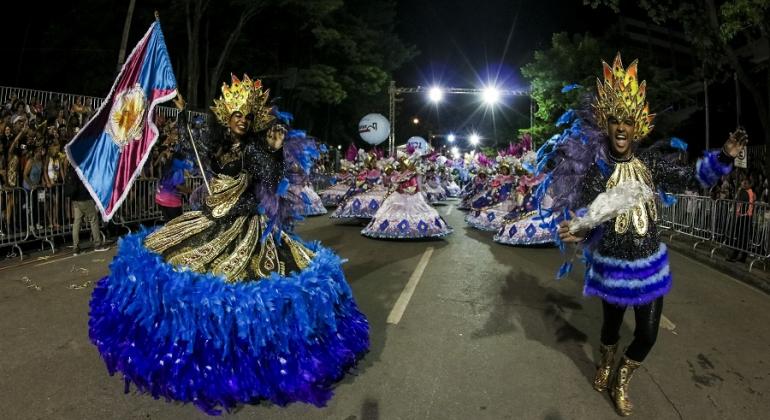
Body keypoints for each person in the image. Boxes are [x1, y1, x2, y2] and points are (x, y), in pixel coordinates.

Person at [88, 75, 369, 414]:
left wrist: (277, 152)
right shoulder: (218, 144)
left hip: (244, 226)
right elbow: (198, 147)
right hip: (208, 218)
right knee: (172, 266)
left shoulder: (254, 149)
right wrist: (183, 113)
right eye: (235, 114)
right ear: (226, 116)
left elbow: (271, 180)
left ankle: (251, 363)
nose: (241, 120)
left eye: (246, 116)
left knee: (244, 288)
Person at [547, 54, 746, 416]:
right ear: (606, 126)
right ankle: (605, 363)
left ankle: (622, 377)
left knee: (648, 334)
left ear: (637, 126)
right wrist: (578, 227)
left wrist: (725, 156)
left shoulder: (652, 165)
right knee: (610, 328)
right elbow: (589, 211)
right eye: (615, 121)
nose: (621, 127)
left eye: (628, 121)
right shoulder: (599, 169)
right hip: (612, 264)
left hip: (650, 265)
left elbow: (693, 180)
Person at [65, 169, 108, 255]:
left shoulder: (71, 169)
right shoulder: (81, 167)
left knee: (77, 222)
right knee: (93, 219)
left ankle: (75, 247)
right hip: (84, 198)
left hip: (75, 199)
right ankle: (97, 244)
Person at [727, 176, 755, 262]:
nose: (743, 184)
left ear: (749, 184)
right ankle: (743, 257)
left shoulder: (746, 192)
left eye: (745, 183)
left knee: (740, 237)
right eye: (742, 182)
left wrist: (739, 191)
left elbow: (739, 201)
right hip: (745, 216)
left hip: (744, 217)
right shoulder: (748, 192)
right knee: (743, 238)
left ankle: (734, 255)